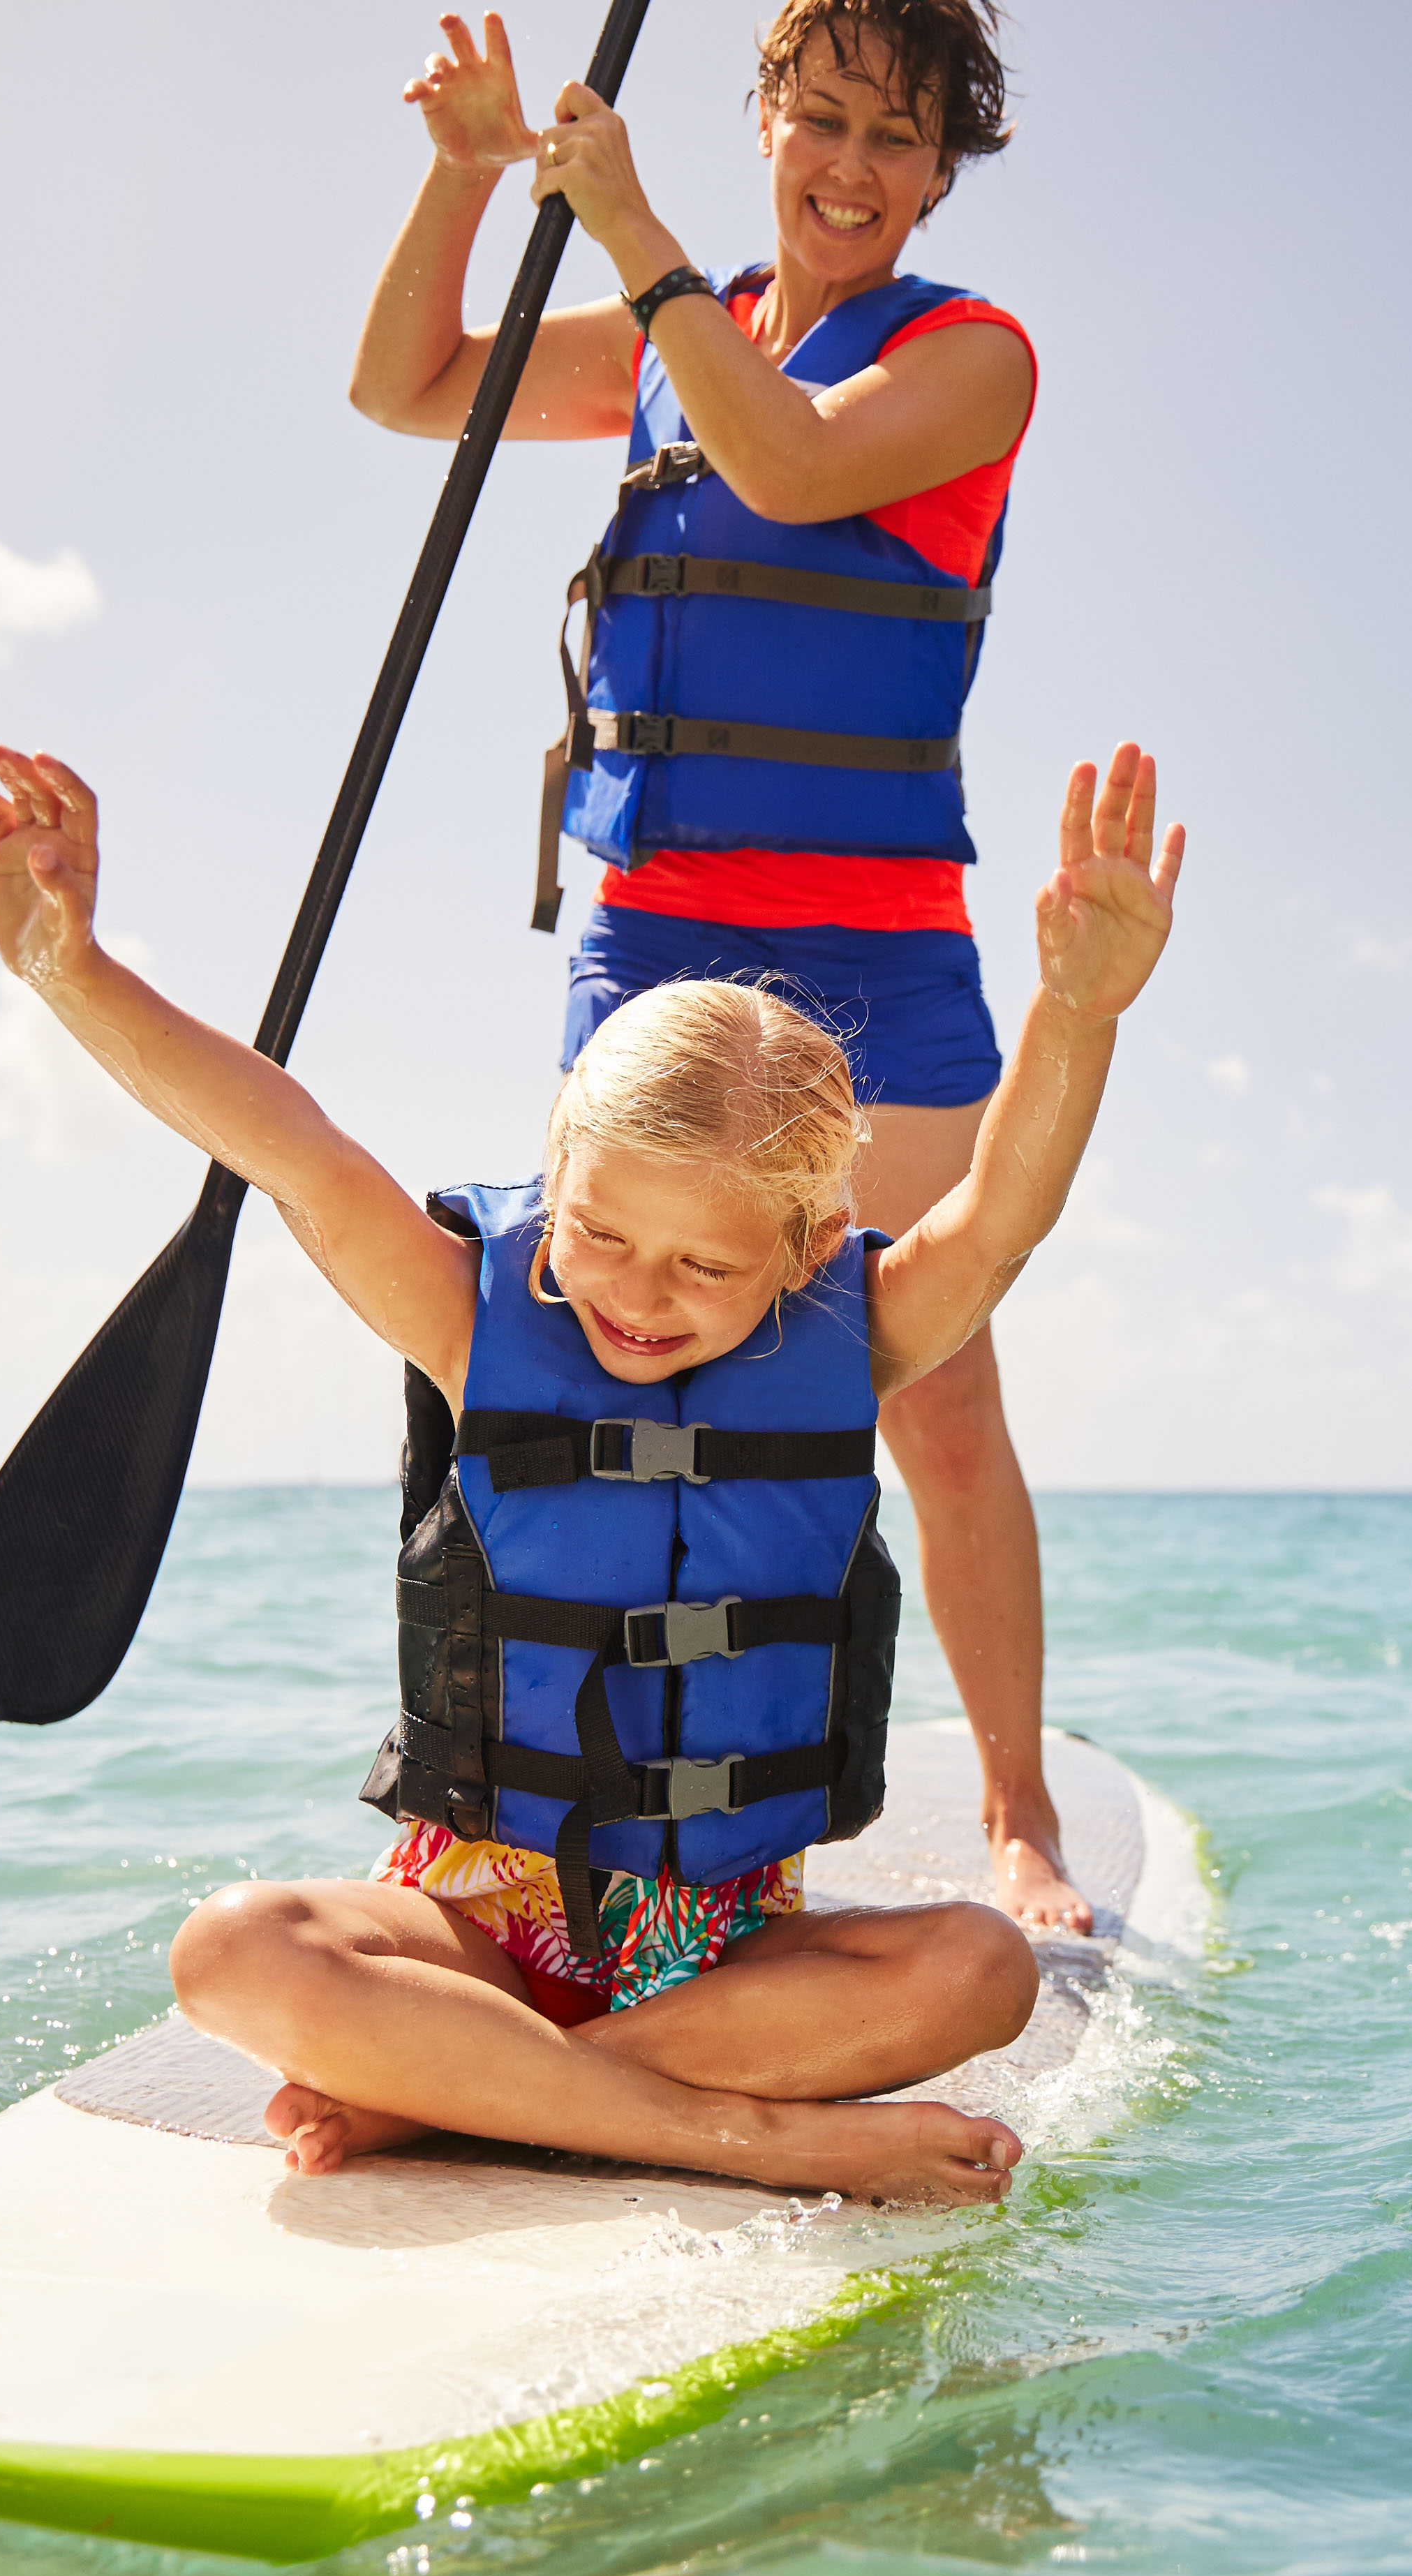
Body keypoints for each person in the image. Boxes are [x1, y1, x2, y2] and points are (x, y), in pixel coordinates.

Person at [0, 737, 1184, 2205]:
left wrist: (1076, 1012)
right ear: (557, 1171)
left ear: (802, 1254)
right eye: (599, 1230)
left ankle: (466, 2088)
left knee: (979, 1970)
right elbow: (285, 1143)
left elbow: (996, 1221)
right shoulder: (474, 1322)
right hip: (475, 1926)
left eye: (705, 1263)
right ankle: (734, 2133)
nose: (636, 1293)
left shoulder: (852, 1342)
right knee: (232, 1950)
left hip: (724, 1955)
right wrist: (65, 967)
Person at [348, 2, 1098, 1935]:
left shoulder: (969, 361)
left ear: (944, 170)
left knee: (921, 1383)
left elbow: (780, 471)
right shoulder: (680, 332)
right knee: (587, 1358)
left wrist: (635, 230)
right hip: (655, 939)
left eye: (894, 138)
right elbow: (410, 384)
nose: (848, 166)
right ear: (766, 113)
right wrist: (464, 175)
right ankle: (546, 1815)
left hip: (874, 961)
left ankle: (1019, 1814)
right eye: (818, 114)